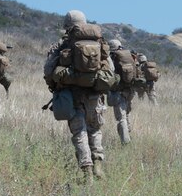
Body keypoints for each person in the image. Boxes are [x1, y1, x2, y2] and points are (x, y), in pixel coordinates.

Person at [44, 10, 116, 181]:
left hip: (71, 95)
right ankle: (98, 164)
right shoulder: (99, 43)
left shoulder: (63, 44)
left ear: (67, 25)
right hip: (95, 95)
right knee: (95, 130)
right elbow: (111, 70)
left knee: (79, 132)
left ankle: (87, 171)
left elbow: (48, 71)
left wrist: (54, 86)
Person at [107, 39, 138, 144]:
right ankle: (129, 133)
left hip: (118, 92)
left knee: (121, 118)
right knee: (126, 114)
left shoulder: (113, 58)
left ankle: (125, 142)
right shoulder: (128, 56)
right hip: (130, 90)